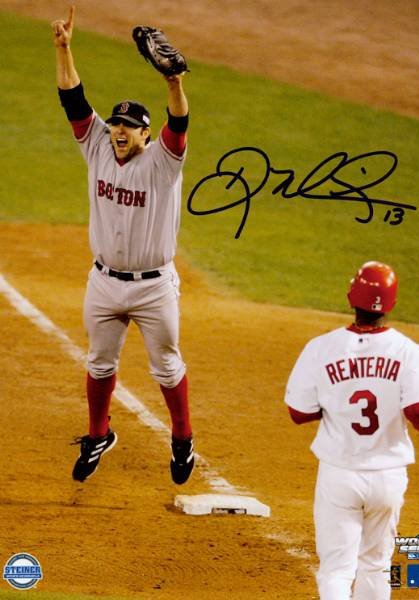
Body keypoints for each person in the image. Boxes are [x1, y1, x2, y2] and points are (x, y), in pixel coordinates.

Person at [52, 6, 194, 485]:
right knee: (98, 363)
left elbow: (179, 123)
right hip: (104, 282)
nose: (118, 131)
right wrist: (64, 49)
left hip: (154, 288)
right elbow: (73, 99)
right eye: (115, 123)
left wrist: (173, 83)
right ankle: (99, 434)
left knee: (167, 368)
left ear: (145, 134)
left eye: (129, 126)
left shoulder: (163, 162)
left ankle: (182, 438)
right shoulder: (96, 146)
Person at [285, 261, 419, 600]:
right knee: (377, 565)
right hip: (389, 475)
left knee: (337, 570)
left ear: (351, 297)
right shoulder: (410, 352)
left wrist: (335, 402)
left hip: (340, 473)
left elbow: (298, 412)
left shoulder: (321, 348)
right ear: (392, 303)